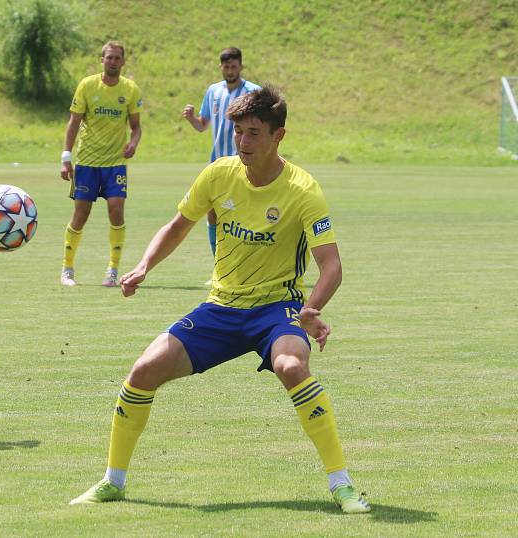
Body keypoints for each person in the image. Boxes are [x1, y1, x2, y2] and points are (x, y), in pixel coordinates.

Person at [70, 86, 371, 514]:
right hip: (221, 307)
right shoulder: (218, 174)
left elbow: (332, 265)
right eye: (238, 133)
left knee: (291, 366)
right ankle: (112, 481)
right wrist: (143, 266)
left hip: (276, 309)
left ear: (277, 136)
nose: (242, 142)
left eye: (253, 133)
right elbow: (178, 225)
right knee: (142, 372)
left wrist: (310, 309)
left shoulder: (303, 190)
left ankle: (343, 486)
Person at [59, 41, 142, 287]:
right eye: (109, 57)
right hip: (86, 162)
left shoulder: (130, 89)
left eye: (117, 58)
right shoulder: (87, 85)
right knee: (81, 215)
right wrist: (66, 157)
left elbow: (136, 128)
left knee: (116, 210)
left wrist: (134, 143)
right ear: (101, 59)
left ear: (123, 62)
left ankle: (113, 270)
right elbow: (73, 122)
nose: (113, 61)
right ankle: (67, 268)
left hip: (115, 164)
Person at [182, 47, 259, 280]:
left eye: (234, 66)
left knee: (246, 215)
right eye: (226, 67)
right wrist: (191, 119)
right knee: (213, 215)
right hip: (218, 164)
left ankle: (252, 268)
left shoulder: (253, 92)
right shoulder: (213, 91)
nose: (230, 70)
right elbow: (203, 125)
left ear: (241, 67)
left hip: (245, 163)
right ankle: (221, 268)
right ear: (221, 68)